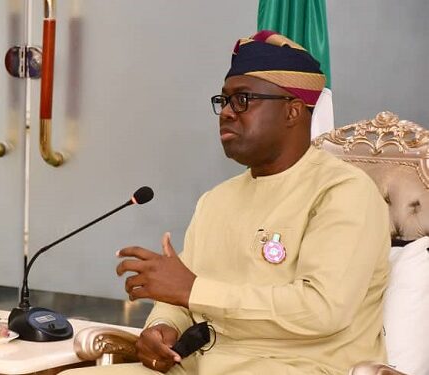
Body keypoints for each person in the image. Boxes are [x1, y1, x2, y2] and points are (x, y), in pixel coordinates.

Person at [63, 31, 390, 374]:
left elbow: (322, 309)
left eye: (243, 99)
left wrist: (192, 290)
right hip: (198, 365)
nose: (227, 113)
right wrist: (161, 328)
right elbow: (183, 298)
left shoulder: (343, 191)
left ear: (293, 111)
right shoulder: (216, 200)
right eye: (224, 101)